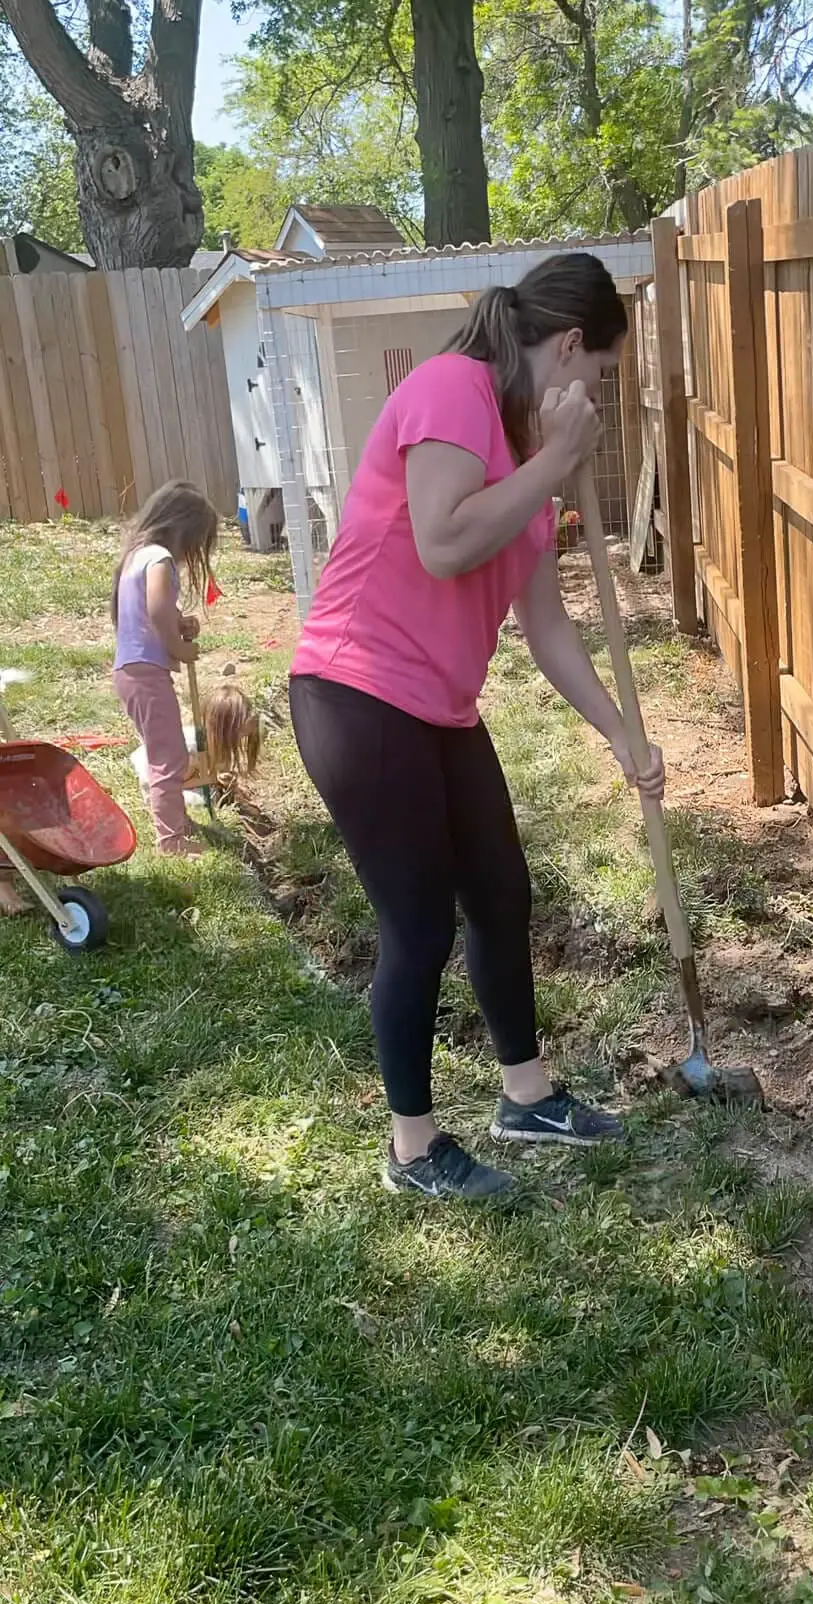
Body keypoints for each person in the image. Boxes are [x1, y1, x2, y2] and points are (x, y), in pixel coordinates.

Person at [289, 251, 665, 1203]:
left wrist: (620, 733)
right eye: (603, 378)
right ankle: (412, 1150)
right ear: (570, 346)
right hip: (355, 693)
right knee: (416, 923)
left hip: (439, 708)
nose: (602, 399)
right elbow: (443, 538)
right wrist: (552, 464)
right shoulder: (450, 390)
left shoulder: (526, 461)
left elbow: (546, 628)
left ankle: (525, 1097)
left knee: (501, 892)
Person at [112, 481, 217, 858]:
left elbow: (153, 611)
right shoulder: (159, 558)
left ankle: (174, 820)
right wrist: (178, 647)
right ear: (183, 531)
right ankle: (171, 840)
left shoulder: (137, 556)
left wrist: (179, 622)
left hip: (133, 672)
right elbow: (156, 610)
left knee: (164, 748)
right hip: (145, 674)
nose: (192, 554)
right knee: (169, 754)